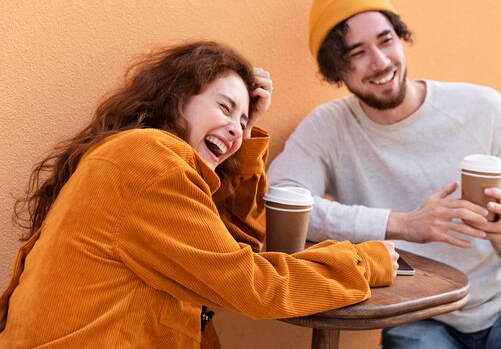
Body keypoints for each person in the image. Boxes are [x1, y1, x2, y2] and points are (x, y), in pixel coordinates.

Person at [0, 40, 399, 349]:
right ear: (175, 97)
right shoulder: (148, 158)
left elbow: (234, 246)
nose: (235, 131)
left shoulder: (140, 159)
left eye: (243, 122)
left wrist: (246, 136)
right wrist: (365, 261)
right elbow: (254, 286)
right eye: (224, 108)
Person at [268, 0, 501, 349]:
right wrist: (401, 224)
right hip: (416, 313)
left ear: (400, 37)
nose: (380, 62)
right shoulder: (329, 128)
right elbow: (280, 199)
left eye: (386, 40)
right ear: (335, 70)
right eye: (357, 53)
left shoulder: (482, 108)